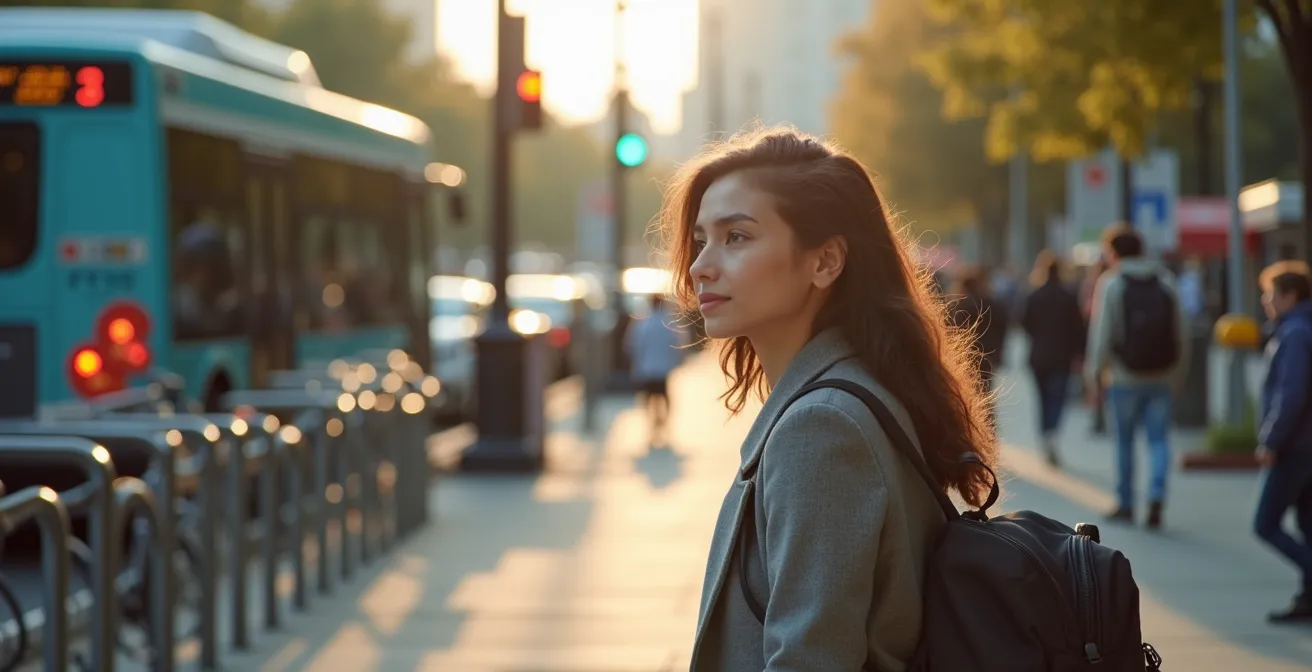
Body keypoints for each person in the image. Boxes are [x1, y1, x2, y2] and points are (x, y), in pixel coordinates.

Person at [666, 128, 998, 671]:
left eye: (737, 238)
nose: (701, 264)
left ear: (825, 262)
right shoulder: (854, 392)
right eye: (701, 238)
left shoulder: (821, 429)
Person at [1084, 224, 1188, 530]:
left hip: (1123, 377)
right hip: (1161, 377)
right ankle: (1156, 496)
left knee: (1124, 442)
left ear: (1113, 253)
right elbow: (1181, 334)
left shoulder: (1112, 283)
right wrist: (1177, 374)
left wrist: (1094, 377)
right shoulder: (1166, 281)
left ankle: (1126, 503)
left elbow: (1101, 335)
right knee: (1158, 440)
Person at [1253, 260, 1312, 624]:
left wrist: (1271, 440)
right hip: (1306, 444)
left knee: (1266, 524)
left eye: (1270, 293)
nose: (1265, 300)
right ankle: (1308, 599)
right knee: (1308, 525)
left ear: (1290, 295)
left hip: (1296, 446)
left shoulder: (1295, 334)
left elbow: (1291, 395)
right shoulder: (1298, 328)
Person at [1021, 251, 1086, 467]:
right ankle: (1052, 432)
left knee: (1042, 398)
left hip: (1039, 356)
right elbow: (1079, 329)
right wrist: (1080, 353)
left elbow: (1024, 324)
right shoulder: (1069, 297)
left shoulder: (1035, 295)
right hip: (1062, 357)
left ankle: (1045, 434)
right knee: (1057, 398)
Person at [624, 294, 688, 447]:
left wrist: (636, 362)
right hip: (664, 367)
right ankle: (663, 423)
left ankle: (652, 425)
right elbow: (678, 344)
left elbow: (632, 345)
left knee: (648, 398)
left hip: (647, 368)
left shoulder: (642, 323)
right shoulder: (669, 323)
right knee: (665, 397)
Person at [950, 266, 1009, 399]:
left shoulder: (959, 306)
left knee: (967, 393)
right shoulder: (992, 304)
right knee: (985, 391)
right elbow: (1003, 327)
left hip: (965, 356)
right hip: (988, 355)